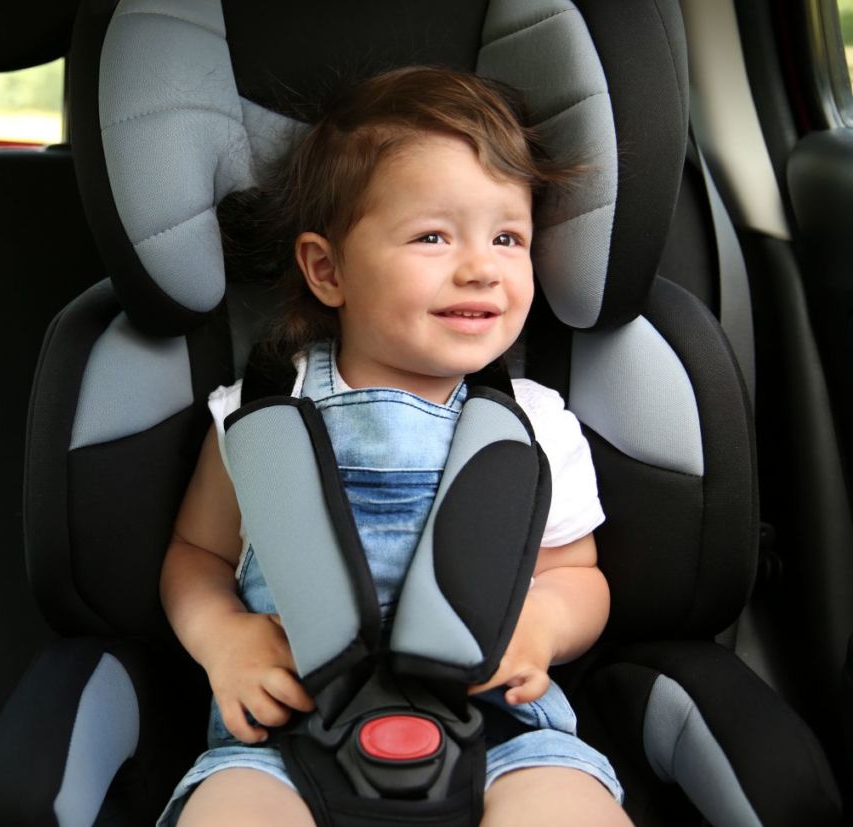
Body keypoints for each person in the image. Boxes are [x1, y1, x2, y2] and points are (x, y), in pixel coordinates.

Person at [158, 66, 630, 827]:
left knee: (565, 807)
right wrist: (224, 639)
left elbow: (577, 574)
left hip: (499, 733)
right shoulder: (261, 417)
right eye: (432, 236)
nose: (480, 266)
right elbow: (197, 556)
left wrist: (540, 625)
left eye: (507, 236)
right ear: (327, 268)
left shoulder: (534, 424)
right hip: (287, 738)